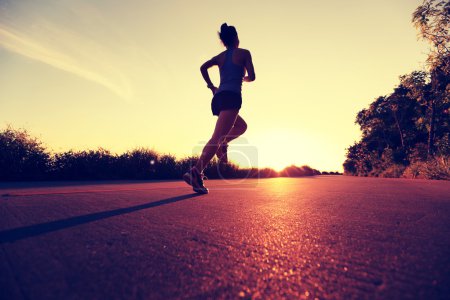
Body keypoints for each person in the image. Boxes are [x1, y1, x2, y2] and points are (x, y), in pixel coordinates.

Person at [183, 23, 256, 194]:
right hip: (232, 97)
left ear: (223, 41)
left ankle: (223, 144)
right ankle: (196, 171)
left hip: (218, 98)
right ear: (237, 38)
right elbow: (252, 77)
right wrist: (242, 78)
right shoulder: (244, 53)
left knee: (241, 127)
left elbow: (203, 67)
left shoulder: (220, 57)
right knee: (217, 136)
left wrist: (211, 86)